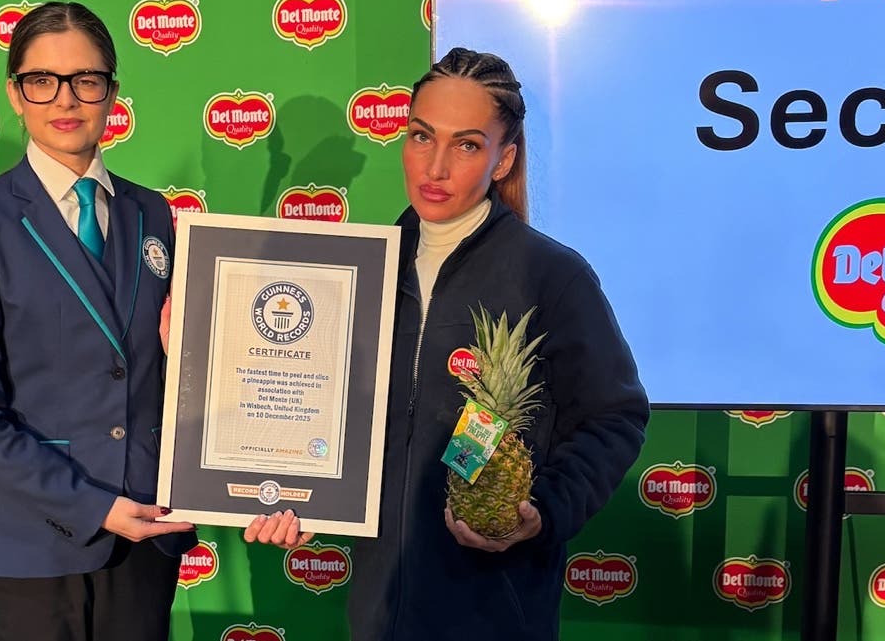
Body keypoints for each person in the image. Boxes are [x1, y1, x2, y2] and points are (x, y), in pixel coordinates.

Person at [247, 46, 649, 641]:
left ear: (503, 158)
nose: (434, 167)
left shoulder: (551, 274)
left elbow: (615, 416)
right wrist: (301, 495)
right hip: (378, 609)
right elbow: (319, 412)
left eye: (466, 144)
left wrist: (543, 512)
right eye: (420, 136)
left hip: (497, 609)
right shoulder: (358, 271)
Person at [0, 1, 194, 641]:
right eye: (41, 80)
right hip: (33, 541)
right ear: (15, 94)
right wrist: (95, 505)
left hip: (148, 530)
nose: (65, 99)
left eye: (87, 80)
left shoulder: (152, 214)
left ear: (112, 92)